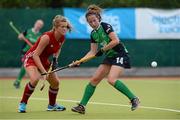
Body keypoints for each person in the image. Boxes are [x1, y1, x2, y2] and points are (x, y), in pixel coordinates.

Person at [71, 5, 140, 114]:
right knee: (94, 80)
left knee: (111, 79)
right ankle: (82, 106)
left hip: (120, 54)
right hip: (110, 56)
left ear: (98, 18)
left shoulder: (105, 26)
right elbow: (92, 52)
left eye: (94, 20)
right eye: (90, 22)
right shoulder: (93, 34)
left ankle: (134, 99)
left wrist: (102, 50)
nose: (93, 23)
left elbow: (115, 41)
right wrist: (80, 61)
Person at [18, 15, 72, 113]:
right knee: (34, 79)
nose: (65, 29)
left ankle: (51, 105)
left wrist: (55, 59)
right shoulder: (46, 37)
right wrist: (44, 72)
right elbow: (35, 55)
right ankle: (23, 103)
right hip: (31, 58)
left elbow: (58, 49)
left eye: (66, 27)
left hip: (43, 60)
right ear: (55, 27)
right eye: (62, 27)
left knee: (55, 83)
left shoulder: (62, 37)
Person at [13, 19, 44, 88]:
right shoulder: (27, 31)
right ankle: (18, 81)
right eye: (38, 24)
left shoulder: (40, 35)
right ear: (35, 23)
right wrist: (21, 37)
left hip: (33, 54)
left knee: (32, 67)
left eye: (40, 25)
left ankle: (31, 81)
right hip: (25, 52)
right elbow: (20, 37)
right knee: (25, 65)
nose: (39, 26)